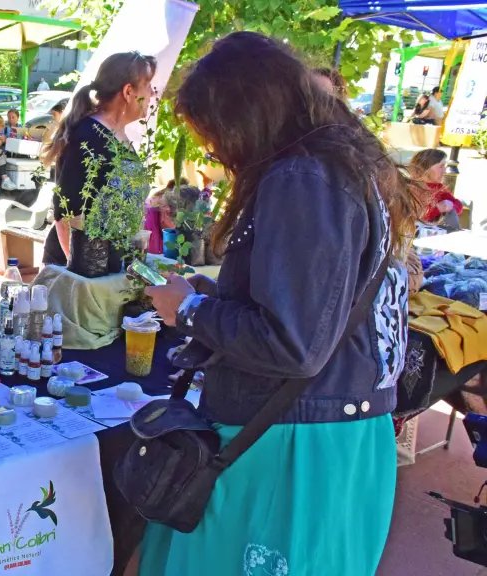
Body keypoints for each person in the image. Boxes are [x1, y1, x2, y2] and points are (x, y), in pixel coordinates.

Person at [139, 32, 418, 576]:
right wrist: (214, 294)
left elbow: (292, 343)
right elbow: (321, 308)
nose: (213, 150)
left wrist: (189, 311)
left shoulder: (303, 176)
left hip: (294, 443)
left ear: (248, 115)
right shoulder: (342, 169)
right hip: (328, 431)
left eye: (214, 133)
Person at [40, 51, 157, 267]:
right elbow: (66, 214)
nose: (152, 94)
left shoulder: (118, 134)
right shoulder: (87, 136)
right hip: (78, 270)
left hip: (108, 268)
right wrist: (80, 275)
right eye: (148, 86)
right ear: (129, 91)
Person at [410, 148, 463, 231]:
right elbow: (415, 216)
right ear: (425, 169)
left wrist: (451, 206)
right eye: (441, 166)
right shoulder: (411, 188)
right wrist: (438, 208)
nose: (445, 170)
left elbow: (458, 205)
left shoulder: (439, 188)